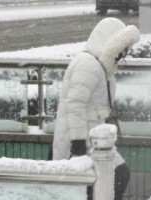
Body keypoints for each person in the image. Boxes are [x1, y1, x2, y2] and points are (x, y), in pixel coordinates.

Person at [52, 17, 140, 200]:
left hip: (93, 140)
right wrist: (77, 141)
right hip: (82, 141)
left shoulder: (99, 65)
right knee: (116, 176)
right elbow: (74, 105)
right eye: (122, 49)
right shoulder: (88, 64)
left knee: (109, 180)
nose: (123, 54)